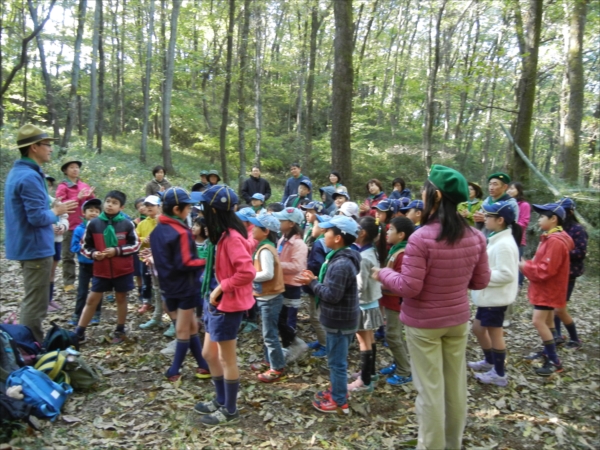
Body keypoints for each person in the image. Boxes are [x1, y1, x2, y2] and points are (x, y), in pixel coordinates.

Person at [372, 164, 490, 449]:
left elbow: (409, 287)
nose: (422, 196)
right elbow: (480, 281)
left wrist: (382, 273)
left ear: (435, 196)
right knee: (455, 386)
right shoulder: (475, 236)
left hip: (424, 325)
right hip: (457, 321)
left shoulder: (421, 237)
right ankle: (453, 443)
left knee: (429, 391)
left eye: (425, 191)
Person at [4, 124, 78, 342]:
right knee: (36, 303)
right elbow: (37, 217)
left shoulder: (20, 173)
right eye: (47, 145)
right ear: (34, 147)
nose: (50, 149)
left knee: (34, 298)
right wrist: (57, 211)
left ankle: (27, 344)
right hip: (35, 247)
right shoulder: (29, 177)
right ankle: (30, 348)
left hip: (28, 245)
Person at [193, 185, 256, 426]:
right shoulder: (221, 235)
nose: (199, 212)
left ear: (214, 211)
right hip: (213, 302)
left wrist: (222, 286)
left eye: (203, 207)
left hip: (227, 305)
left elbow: (247, 272)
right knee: (209, 353)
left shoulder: (231, 238)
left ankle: (230, 409)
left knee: (227, 359)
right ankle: (220, 399)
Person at [295, 216, 361, 414]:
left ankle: (340, 401)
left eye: (328, 232)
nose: (324, 234)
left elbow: (332, 295)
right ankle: (338, 390)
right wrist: (315, 279)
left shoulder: (341, 264)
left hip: (340, 322)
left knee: (336, 363)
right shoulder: (339, 258)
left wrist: (312, 284)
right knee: (336, 360)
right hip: (340, 319)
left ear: (338, 238)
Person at [149, 187, 210, 382]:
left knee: (192, 326)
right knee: (184, 329)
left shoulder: (157, 230)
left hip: (167, 284)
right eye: (188, 206)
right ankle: (174, 370)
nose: (190, 209)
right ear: (177, 209)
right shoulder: (181, 232)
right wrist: (208, 262)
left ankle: (203, 365)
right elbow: (186, 262)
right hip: (184, 287)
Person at [75, 190, 141, 344]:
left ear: (122, 207)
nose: (110, 205)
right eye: (108, 201)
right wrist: (93, 254)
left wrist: (117, 251)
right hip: (101, 269)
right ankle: (79, 332)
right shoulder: (94, 223)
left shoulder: (127, 223)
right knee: (92, 299)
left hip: (122, 269)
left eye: (115, 203)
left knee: (121, 298)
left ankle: (120, 329)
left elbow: (135, 245)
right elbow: (84, 246)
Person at [468, 201, 520, 387]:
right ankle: (490, 361)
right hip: (487, 297)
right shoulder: (497, 238)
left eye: (489, 216)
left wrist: (481, 276)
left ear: (500, 220)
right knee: (478, 328)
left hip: (495, 299)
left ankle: (499, 373)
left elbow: (507, 274)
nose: (485, 218)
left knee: (495, 333)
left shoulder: (504, 244)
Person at [520, 203, 574, 376]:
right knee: (549, 322)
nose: (539, 218)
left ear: (553, 219)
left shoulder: (556, 242)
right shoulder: (551, 238)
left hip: (548, 289)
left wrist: (524, 266)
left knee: (538, 321)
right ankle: (547, 352)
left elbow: (546, 270)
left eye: (542, 216)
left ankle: (554, 361)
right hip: (548, 288)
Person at [247, 214, 287, 382]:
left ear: (265, 231)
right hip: (265, 296)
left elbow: (268, 274)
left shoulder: (265, 250)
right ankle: (268, 360)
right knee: (267, 332)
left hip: (270, 298)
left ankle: (277, 367)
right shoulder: (265, 246)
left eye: (256, 227)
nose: (253, 229)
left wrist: (250, 275)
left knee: (269, 334)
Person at [348, 216, 384, 393]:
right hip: (372, 302)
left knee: (363, 341)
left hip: (363, 304)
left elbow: (360, 286)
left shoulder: (363, 257)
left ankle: (365, 381)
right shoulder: (371, 251)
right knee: (369, 339)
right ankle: (370, 372)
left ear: (362, 233)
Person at [378, 216, 414, 386]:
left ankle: (404, 371)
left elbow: (401, 281)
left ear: (401, 235)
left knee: (393, 335)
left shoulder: (404, 253)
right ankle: (399, 362)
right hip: (390, 300)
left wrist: (380, 282)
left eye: (391, 229)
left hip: (396, 302)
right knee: (394, 335)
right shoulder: (395, 249)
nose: (387, 232)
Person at [273, 207, 309, 361]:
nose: (278, 222)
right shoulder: (282, 239)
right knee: (279, 319)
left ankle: (293, 345)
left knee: (288, 319)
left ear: (291, 223)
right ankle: (287, 345)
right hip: (282, 284)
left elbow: (297, 266)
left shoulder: (299, 244)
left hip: (292, 286)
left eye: (282, 220)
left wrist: (275, 265)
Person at [56, 158, 96, 292]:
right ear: (65, 171)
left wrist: (90, 196)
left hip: (85, 225)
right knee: (68, 254)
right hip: (69, 225)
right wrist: (77, 198)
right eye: (72, 167)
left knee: (87, 253)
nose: (75, 169)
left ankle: (87, 279)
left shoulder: (84, 185)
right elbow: (59, 205)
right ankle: (69, 282)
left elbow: (93, 204)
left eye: (77, 167)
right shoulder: (63, 186)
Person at [553, 198, 586, 349]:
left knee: (560, 307)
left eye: (563, 212)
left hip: (569, 273)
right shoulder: (556, 227)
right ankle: (557, 335)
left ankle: (574, 338)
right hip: (555, 272)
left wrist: (562, 252)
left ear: (570, 212)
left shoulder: (578, 229)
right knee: (553, 306)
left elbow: (580, 252)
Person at [68, 199, 103, 327]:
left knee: (98, 289)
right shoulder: (79, 230)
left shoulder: (102, 228)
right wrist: (87, 250)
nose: (94, 213)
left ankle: (96, 313)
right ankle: (77, 314)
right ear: (84, 212)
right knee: (82, 291)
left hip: (98, 264)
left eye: (97, 211)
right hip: (84, 265)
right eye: (91, 210)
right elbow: (74, 247)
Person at [503, 181, 531, 327]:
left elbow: (523, 222)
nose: (510, 190)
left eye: (513, 188)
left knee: (515, 270)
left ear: (519, 190)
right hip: (503, 239)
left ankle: (517, 288)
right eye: (509, 188)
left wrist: (507, 224)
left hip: (517, 240)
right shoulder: (504, 202)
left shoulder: (524, 205)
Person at [304, 215, 331, 358]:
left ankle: (325, 344)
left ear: (321, 228)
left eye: (313, 225)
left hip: (316, 284)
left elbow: (316, 265)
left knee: (316, 316)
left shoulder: (319, 244)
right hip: (323, 284)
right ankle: (321, 341)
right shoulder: (326, 243)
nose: (311, 228)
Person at [137, 195, 165, 329]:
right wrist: (143, 240)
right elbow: (135, 238)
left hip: (163, 261)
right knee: (155, 288)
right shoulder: (142, 223)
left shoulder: (164, 222)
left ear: (159, 207)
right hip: (147, 260)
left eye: (152, 205)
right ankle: (156, 317)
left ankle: (174, 321)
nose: (149, 208)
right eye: (147, 205)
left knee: (165, 290)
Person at [46, 175, 70, 312]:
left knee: (52, 271)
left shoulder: (55, 201)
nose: (47, 187)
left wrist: (63, 227)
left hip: (57, 240)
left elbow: (64, 217)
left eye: (49, 184)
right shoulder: (38, 202)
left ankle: (49, 299)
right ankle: (43, 301)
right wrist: (49, 227)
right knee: (44, 271)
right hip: (44, 242)